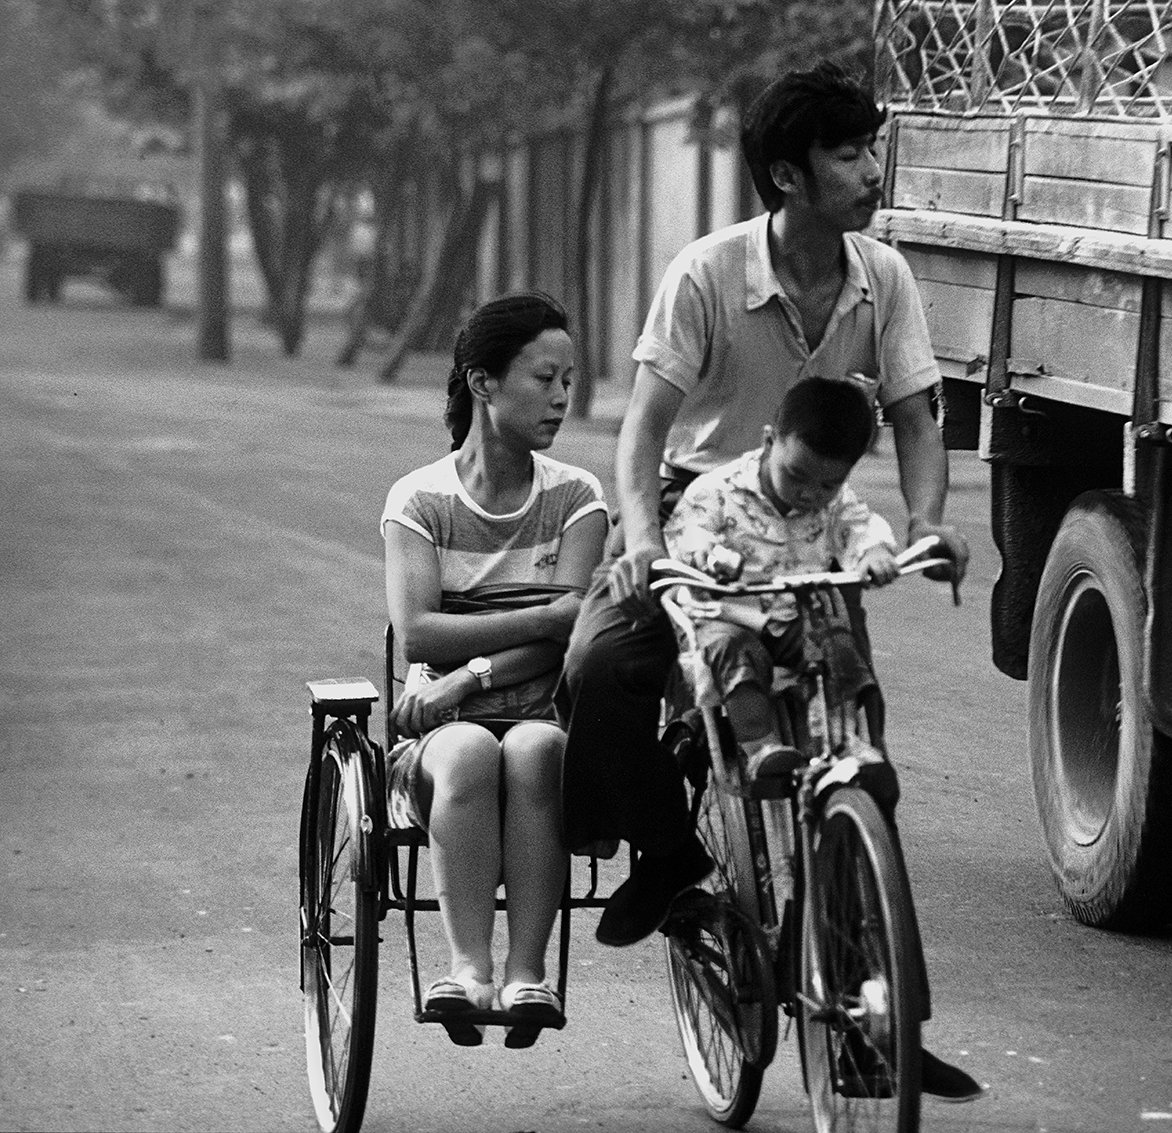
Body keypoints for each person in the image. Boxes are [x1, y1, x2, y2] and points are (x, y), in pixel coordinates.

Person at [555, 61, 980, 1099]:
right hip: (696, 513)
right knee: (599, 668)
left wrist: (926, 523)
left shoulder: (884, 276)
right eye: (850, 154)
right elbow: (644, 426)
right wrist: (647, 539)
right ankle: (667, 852)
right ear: (788, 176)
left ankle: (875, 1005)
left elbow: (920, 417)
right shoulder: (706, 271)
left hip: (815, 528)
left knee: (854, 760)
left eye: (870, 148)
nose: (873, 171)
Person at [382, 291, 607, 1049]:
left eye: (569, 381)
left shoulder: (578, 499)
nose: (561, 397)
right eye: (544, 378)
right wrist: (543, 617)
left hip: (540, 714)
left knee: (537, 748)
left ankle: (527, 974)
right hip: (438, 733)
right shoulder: (420, 499)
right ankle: (468, 969)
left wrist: (469, 670)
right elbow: (418, 632)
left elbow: (569, 639)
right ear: (483, 382)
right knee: (474, 748)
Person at [664, 377, 899, 781]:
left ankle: (841, 740)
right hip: (727, 613)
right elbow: (688, 531)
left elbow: (860, 526)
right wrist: (703, 550)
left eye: (828, 483)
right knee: (730, 649)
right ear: (770, 441)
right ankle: (761, 749)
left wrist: (874, 553)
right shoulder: (718, 490)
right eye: (797, 475)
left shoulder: (836, 503)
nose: (810, 494)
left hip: (793, 614)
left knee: (836, 643)